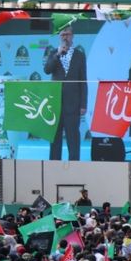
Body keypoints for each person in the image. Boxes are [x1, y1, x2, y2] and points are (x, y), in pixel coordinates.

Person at [43, 26, 86, 161]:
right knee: (55, 137)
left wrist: (83, 104)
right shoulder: (53, 53)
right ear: (59, 36)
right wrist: (57, 55)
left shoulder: (79, 55)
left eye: (67, 34)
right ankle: (54, 164)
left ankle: (74, 164)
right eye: (62, 35)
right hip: (55, 103)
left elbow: (83, 81)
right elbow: (47, 70)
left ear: (72, 36)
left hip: (73, 103)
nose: (65, 37)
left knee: (73, 137)